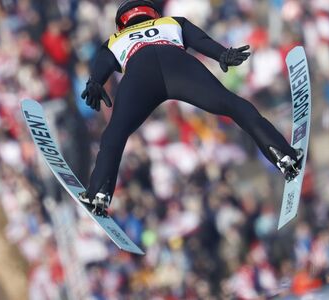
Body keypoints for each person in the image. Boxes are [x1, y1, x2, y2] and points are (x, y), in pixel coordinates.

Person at [78, 0, 302, 215]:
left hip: (140, 75)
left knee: (114, 135)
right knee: (234, 105)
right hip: (179, 67)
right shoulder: (172, 21)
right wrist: (222, 54)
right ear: (153, 13)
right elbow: (201, 40)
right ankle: (282, 155)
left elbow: (103, 63)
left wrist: (95, 82)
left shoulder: (115, 38)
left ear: (121, 23)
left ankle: (99, 192)